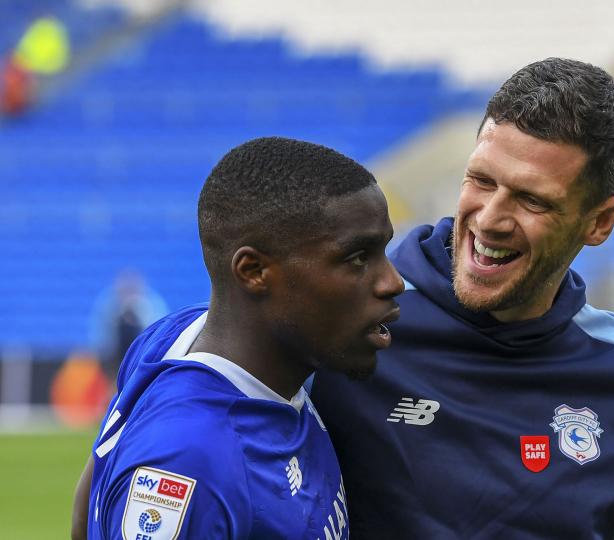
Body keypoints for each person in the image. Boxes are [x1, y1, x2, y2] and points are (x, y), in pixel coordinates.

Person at [311, 58, 614, 539]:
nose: (490, 218)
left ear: (600, 222)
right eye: (481, 180)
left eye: (532, 199)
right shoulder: (340, 317)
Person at [72, 137, 403, 539]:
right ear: (253, 271)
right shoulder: (190, 462)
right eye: (357, 259)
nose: (392, 281)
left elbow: (87, 495)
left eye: (384, 251)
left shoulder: (175, 335)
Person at [88, 269, 168, 382]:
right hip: (115, 358)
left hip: (142, 357)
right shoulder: (109, 305)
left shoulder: (151, 304)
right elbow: (101, 339)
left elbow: (159, 336)